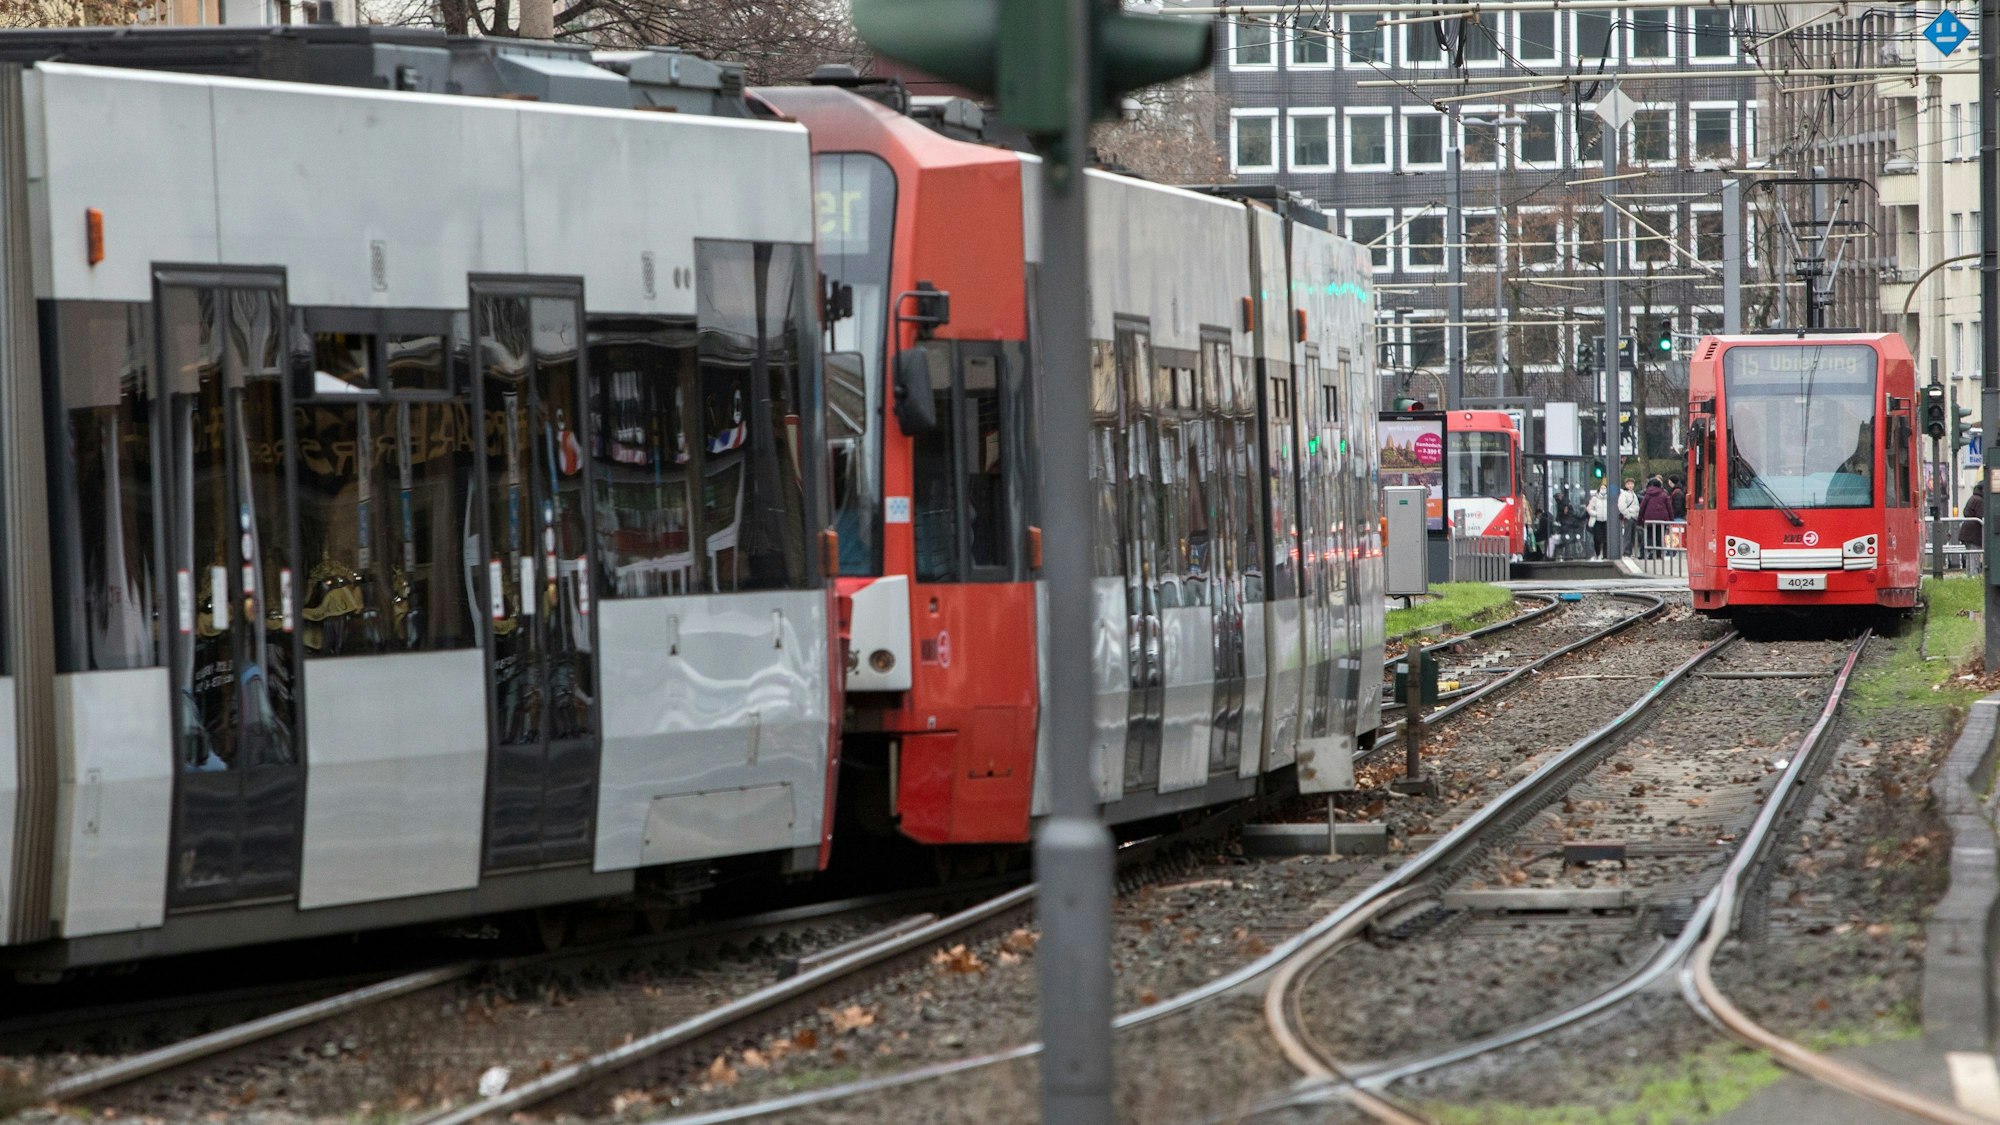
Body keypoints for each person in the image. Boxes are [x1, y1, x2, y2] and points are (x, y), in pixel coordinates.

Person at [1639, 476, 1674, 556]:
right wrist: (1671, 520)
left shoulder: (1647, 495)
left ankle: (1651, 552)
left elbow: (1642, 508)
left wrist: (1639, 520)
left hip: (1649, 519)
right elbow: (1669, 508)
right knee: (1660, 536)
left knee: (1650, 536)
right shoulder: (1664, 494)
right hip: (1662, 519)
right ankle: (1658, 554)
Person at [1618, 478, 1641, 557]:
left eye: (1631, 484)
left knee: (1632, 536)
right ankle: (1626, 552)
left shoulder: (1634, 494)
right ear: (1625, 485)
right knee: (1627, 535)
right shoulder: (1624, 494)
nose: (1630, 485)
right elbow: (1621, 506)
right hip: (1629, 517)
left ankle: (1629, 551)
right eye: (1628, 484)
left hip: (1634, 517)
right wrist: (1627, 515)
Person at [1961, 481, 1985, 551]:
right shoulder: (1979, 500)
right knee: (1974, 558)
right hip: (1974, 535)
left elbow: (1965, 512)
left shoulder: (1973, 498)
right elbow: (1982, 515)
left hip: (1968, 534)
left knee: (1970, 556)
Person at [1586, 484, 1608, 559]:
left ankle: (1605, 555)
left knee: (1606, 539)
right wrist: (1595, 513)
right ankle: (1598, 553)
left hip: (1606, 521)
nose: (1603, 490)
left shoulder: (1608, 499)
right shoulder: (1594, 499)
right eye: (1602, 488)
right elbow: (1589, 509)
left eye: (1604, 488)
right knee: (1597, 539)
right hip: (1597, 521)